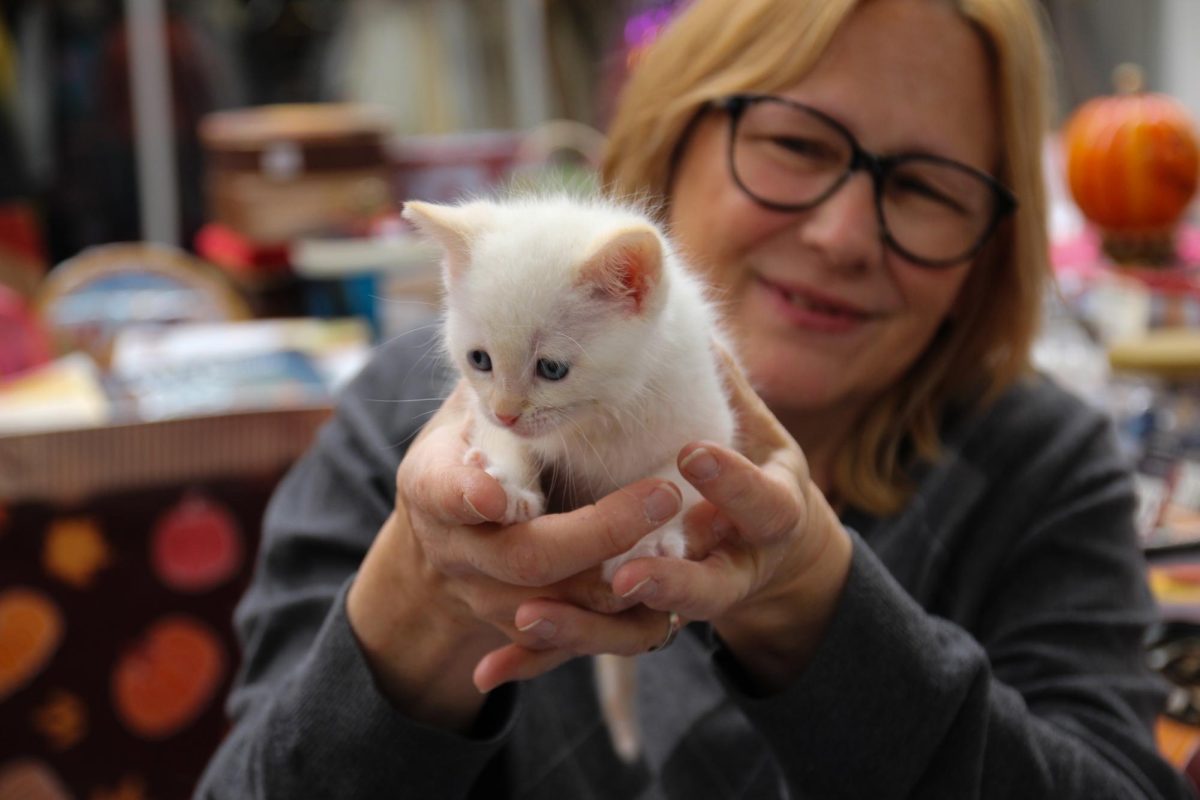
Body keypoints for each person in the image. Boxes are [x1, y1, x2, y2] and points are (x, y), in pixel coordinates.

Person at [197, 0, 1194, 796]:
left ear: (990, 247)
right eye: (798, 145)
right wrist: (419, 598)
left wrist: (816, 600)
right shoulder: (412, 416)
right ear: (673, 137)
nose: (845, 234)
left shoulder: (1038, 468)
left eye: (929, 188)